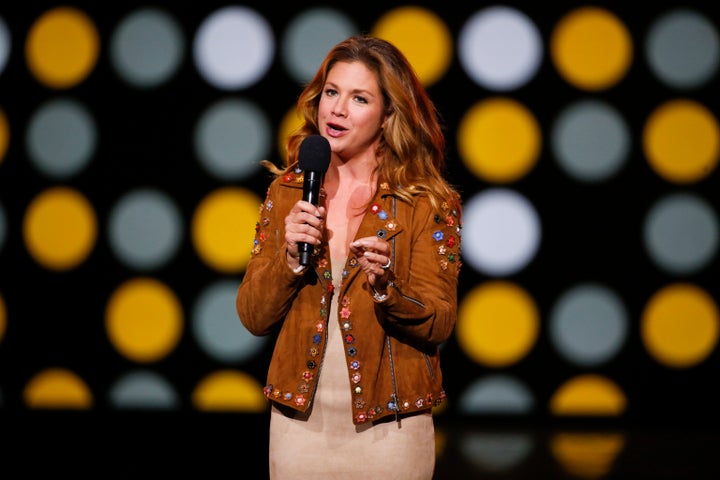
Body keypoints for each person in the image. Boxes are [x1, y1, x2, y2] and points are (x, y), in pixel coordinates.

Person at [235, 34, 462, 479]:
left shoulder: (426, 203)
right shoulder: (288, 193)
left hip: (390, 431)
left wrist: (386, 289)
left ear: (388, 114)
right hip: (299, 429)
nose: (336, 109)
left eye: (359, 98)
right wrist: (289, 260)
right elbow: (253, 316)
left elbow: (440, 321)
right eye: (332, 93)